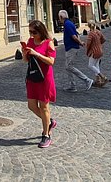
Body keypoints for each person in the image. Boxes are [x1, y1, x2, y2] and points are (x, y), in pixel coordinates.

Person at [24, 20, 57, 148]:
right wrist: (25, 53)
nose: (32, 35)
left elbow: (51, 62)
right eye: (30, 32)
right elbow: (26, 60)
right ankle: (49, 121)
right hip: (32, 76)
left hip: (44, 78)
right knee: (31, 105)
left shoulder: (49, 43)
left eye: (34, 32)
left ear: (41, 31)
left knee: (44, 106)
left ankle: (46, 135)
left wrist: (36, 53)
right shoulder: (30, 42)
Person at [59, 9, 93, 92]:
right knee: (68, 67)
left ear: (61, 17)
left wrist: (80, 43)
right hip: (71, 47)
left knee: (69, 66)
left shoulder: (67, 24)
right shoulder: (70, 23)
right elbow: (77, 34)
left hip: (71, 47)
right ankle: (72, 85)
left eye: (59, 17)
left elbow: (74, 36)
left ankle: (87, 80)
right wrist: (80, 42)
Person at [84, 22, 108, 87]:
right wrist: (98, 44)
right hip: (100, 50)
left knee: (90, 65)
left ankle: (102, 76)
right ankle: (98, 80)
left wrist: (88, 49)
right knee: (96, 65)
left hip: (94, 51)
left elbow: (88, 44)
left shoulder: (90, 34)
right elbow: (103, 40)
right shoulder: (98, 32)